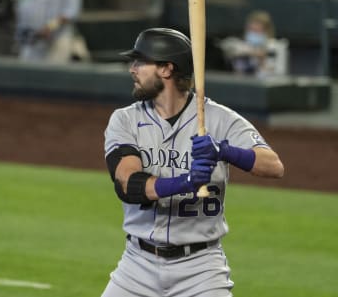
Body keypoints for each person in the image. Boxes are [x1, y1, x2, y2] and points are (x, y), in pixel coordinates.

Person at [102, 28, 284, 297]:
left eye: (140, 62)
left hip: (201, 269)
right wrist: (186, 181)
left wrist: (224, 151)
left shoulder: (220, 119)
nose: (132, 69)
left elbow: (274, 166)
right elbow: (128, 185)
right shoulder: (125, 120)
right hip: (137, 267)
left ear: (166, 69)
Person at [2, 0, 87, 63]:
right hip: (30, 38)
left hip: (56, 40)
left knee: (51, 76)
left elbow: (72, 10)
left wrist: (49, 27)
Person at [219, 10, 289, 78]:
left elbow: (279, 74)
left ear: (267, 30)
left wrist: (262, 60)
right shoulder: (240, 45)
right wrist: (252, 52)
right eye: (251, 29)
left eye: (256, 31)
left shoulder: (276, 47)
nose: (253, 34)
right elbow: (227, 46)